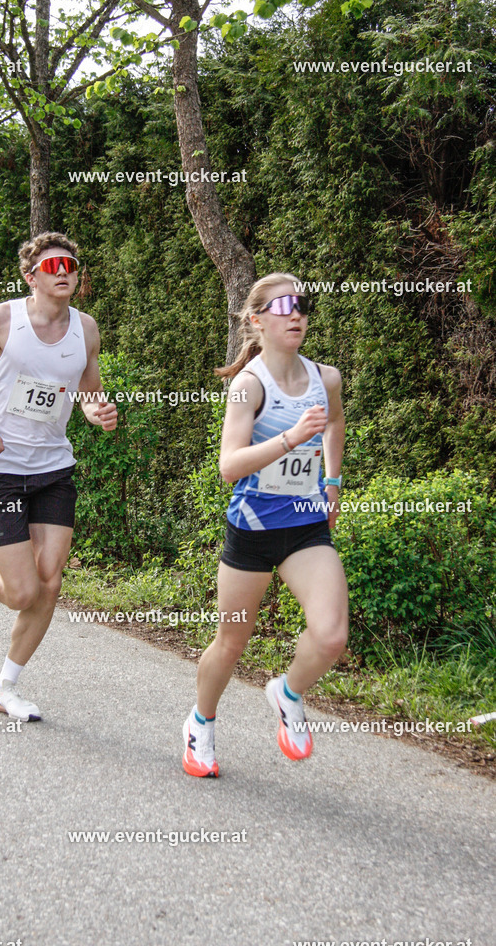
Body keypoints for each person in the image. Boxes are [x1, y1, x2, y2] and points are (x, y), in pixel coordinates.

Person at [182, 273, 348, 777]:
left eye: (302, 304)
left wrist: (332, 480)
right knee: (231, 642)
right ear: (257, 320)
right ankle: (200, 724)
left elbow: (335, 421)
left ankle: (289, 693)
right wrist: (291, 438)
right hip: (252, 532)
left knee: (331, 636)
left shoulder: (326, 378)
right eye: (283, 306)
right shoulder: (248, 386)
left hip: (305, 526)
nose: (295, 313)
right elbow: (229, 466)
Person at [0, 232, 117, 722]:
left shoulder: (85, 329)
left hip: (53, 469)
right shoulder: (1, 319)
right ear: (30, 277)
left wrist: (98, 412)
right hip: (1, 469)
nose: (64, 271)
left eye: (70, 265)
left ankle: (5, 686)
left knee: (50, 582)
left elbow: (88, 393)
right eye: (52, 266)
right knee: (21, 592)